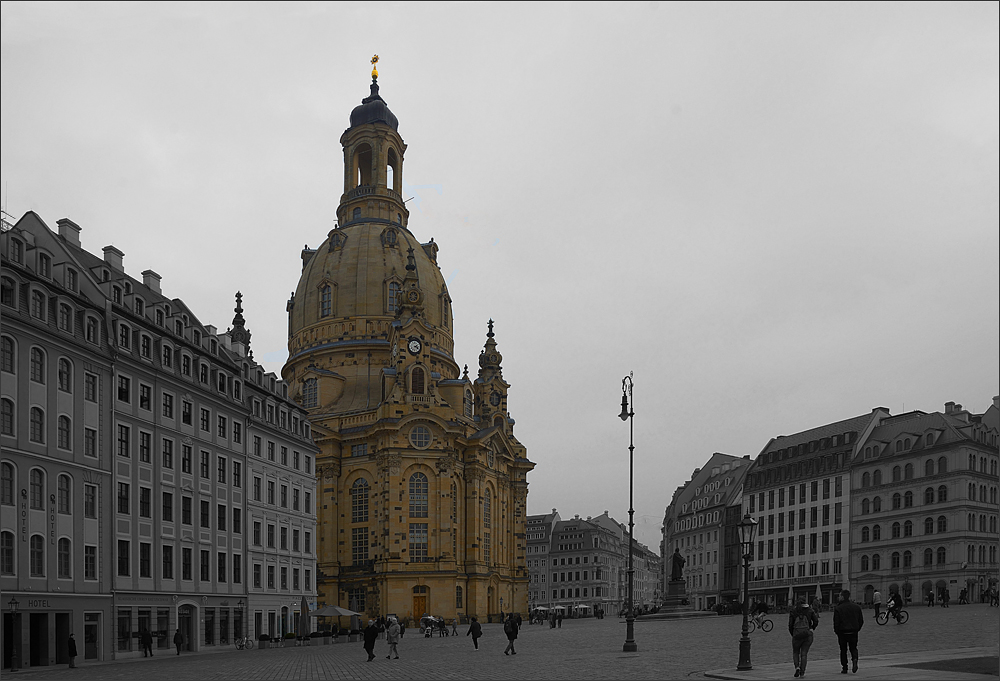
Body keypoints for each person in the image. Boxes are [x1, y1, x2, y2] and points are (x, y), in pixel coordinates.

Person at [833, 589, 864, 675]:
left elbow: (836, 622)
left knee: (843, 650)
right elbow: (861, 620)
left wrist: (837, 631)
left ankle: (845, 668)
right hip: (853, 631)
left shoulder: (838, 608)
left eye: (839, 596)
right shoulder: (856, 607)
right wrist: (857, 628)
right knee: (853, 647)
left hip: (842, 632)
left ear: (842, 597)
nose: (838, 597)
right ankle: (854, 659)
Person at [788, 596, 818, 678]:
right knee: (804, 653)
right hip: (807, 634)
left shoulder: (794, 611)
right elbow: (816, 621)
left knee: (795, 652)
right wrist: (812, 628)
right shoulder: (810, 610)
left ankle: (797, 667)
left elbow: (790, 624)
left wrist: (793, 634)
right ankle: (802, 672)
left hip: (796, 634)